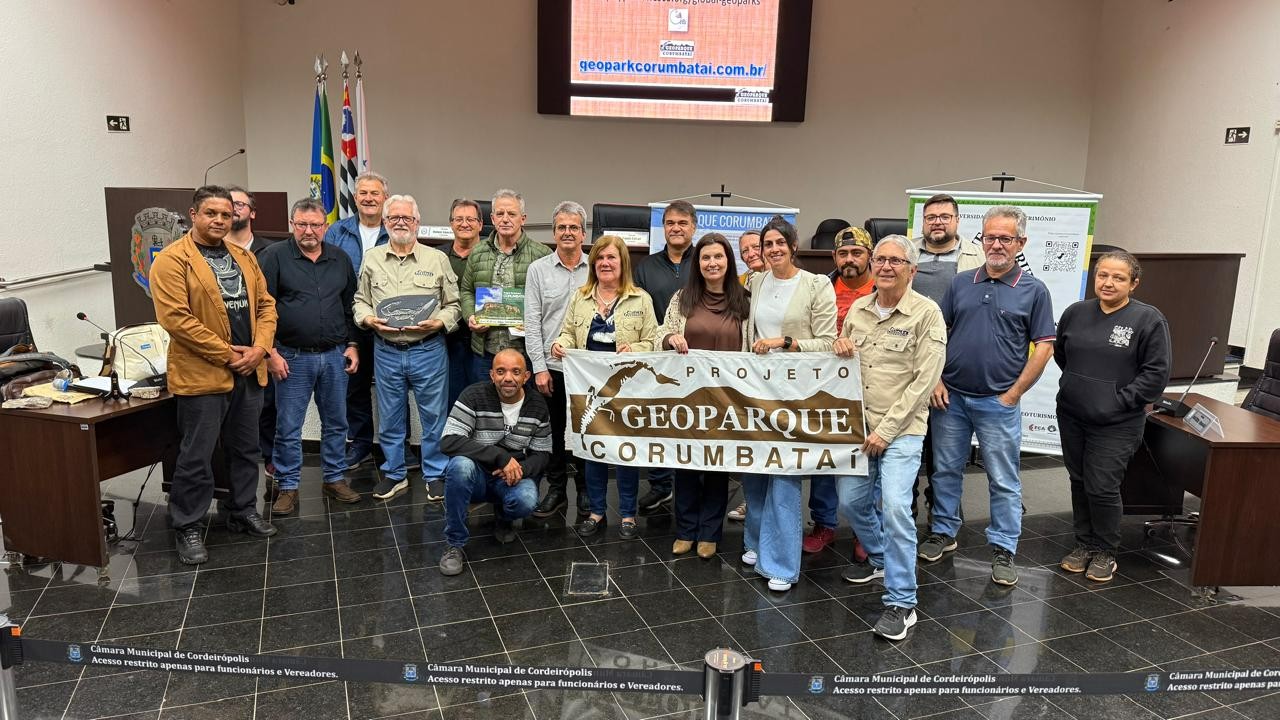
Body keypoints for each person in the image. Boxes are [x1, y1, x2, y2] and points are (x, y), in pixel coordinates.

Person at [923, 206, 1056, 587]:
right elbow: (938, 335)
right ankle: (944, 533)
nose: (996, 244)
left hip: (998, 403)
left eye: (1005, 238)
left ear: (1021, 243)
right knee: (945, 469)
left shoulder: (1034, 290)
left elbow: (1044, 347)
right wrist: (936, 380)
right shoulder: (960, 282)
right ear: (980, 239)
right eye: (990, 237)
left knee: (1003, 479)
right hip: (951, 400)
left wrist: (1013, 394)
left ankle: (1003, 549)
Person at [150, 186, 278, 565]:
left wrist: (259, 349)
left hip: (248, 370)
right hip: (203, 374)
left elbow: (266, 305)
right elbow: (176, 319)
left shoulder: (244, 257)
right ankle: (187, 524)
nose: (220, 220)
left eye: (226, 214)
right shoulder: (172, 261)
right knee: (196, 454)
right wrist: (227, 354)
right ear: (193, 214)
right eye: (211, 214)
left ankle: (242, 509)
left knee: (246, 449)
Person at [833, 235, 947, 641]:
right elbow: (844, 367)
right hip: (859, 429)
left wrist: (886, 430)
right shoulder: (858, 311)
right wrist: (839, 345)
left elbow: (924, 382)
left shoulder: (927, 314)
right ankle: (881, 558)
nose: (885, 266)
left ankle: (901, 601)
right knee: (851, 501)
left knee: (897, 507)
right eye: (879, 259)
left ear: (911, 270)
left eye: (895, 261)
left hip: (901, 431)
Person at [1054, 251, 1170, 582]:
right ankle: (1083, 544)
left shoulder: (1149, 320)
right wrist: (1082, 388)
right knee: (1078, 480)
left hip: (1118, 421)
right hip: (1073, 414)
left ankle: (1106, 550)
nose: (1108, 282)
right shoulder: (1076, 313)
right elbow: (1064, 355)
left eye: (1118, 278)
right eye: (1103, 275)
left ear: (1134, 283)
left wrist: (1116, 400)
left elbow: (1156, 374)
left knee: (1102, 485)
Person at [742, 216, 837, 591]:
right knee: (752, 470)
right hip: (755, 389)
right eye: (768, 245)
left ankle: (780, 563)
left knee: (783, 476)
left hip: (796, 393)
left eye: (781, 243)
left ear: (794, 246)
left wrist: (786, 343)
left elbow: (829, 341)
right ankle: (754, 542)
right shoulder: (755, 281)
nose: (774, 250)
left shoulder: (815, 285)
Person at [352, 194, 461, 501]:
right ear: (385, 223)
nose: (401, 223)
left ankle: (435, 474)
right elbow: (360, 300)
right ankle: (395, 473)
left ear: (417, 222)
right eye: (395, 218)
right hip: (386, 350)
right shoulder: (372, 258)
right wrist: (369, 319)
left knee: (434, 418)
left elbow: (453, 304)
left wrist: (438, 323)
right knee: (389, 417)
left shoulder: (436, 259)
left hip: (428, 349)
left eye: (407, 218)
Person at [257, 198, 361, 515]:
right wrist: (270, 352)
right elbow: (263, 310)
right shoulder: (274, 257)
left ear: (325, 226)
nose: (309, 231)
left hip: (333, 356)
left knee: (336, 423)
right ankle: (288, 486)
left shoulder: (340, 259)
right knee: (288, 426)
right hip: (291, 357)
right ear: (292, 224)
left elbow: (350, 307)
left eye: (315, 225)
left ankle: (334, 478)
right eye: (302, 224)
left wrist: (353, 345)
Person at [551, 234, 659, 540]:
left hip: (626, 392)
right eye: (599, 258)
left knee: (624, 453)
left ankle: (627, 514)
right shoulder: (580, 297)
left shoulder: (641, 299)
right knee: (592, 450)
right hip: (589, 389)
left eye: (611, 257)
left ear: (623, 262)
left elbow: (653, 341)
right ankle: (596, 512)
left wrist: (635, 351)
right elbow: (568, 333)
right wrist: (560, 344)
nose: (605, 263)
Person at [658, 233, 749, 559]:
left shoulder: (745, 300)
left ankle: (710, 532)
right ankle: (685, 530)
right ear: (698, 264)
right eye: (706, 258)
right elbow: (660, 334)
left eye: (718, 257)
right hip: (687, 398)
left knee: (715, 467)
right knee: (684, 465)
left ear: (728, 261)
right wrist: (670, 337)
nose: (712, 263)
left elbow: (753, 345)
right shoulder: (683, 298)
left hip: (727, 400)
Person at [438, 349, 549, 576]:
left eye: (515, 372)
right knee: (459, 466)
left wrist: (520, 469)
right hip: (476, 474)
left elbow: (543, 454)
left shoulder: (537, 404)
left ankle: (504, 517)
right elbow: (449, 441)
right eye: (501, 371)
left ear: (526, 376)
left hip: (509, 478)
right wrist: (501, 457)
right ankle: (454, 544)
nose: (508, 377)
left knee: (527, 500)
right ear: (491, 375)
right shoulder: (473, 395)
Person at [801, 225, 876, 558]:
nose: (849, 259)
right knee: (825, 461)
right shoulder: (823, 288)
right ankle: (824, 524)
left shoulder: (885, 287)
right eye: (843, 253)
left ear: (869, 256)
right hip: (826, 390)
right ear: (834, 257)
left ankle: (865, 530)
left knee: (867, 462)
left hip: (871, 391)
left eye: (857, 253)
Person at [909, 194, 983, 524]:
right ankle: (904, 509)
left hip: (952, 368)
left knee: (945, 451)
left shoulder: (977, 256)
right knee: (908, 443)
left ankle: (942, 510)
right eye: (931, 217)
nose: (937, 221)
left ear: (957, 221)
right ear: (922, 221)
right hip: (905, 364)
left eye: (944, 216)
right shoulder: (905, 252)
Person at [526, 201, 590, 518]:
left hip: (587, 371)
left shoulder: (598, 268)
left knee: (585, 431)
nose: (567, 232)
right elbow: (532, 322)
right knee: (552, 433)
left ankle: (586, 492)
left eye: (573, 227)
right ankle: (556, 491)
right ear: (554, 233)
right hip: (551, 370)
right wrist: (538, 368)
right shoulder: (537, 271)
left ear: (583, 233)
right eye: (562, 227)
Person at [632, 200, 696, 513]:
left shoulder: (706, 260)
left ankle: (690, 485)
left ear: (693, 227)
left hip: (697, 359)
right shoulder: (645, 267)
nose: (676, 228)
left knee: (690, 423)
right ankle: (660, 485)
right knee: (657, 422)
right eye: (670, 223)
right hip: (657, 355)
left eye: (682, 222)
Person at [324, 172, 390, 471]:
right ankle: (361, 443)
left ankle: (396, 447)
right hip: (350, 323)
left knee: (393, 386)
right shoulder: (337, 232)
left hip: (390, 323)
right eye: (363, 192)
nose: (368, 198)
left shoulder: (396, 229)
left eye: (375, 193)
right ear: (355, 197)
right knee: (356, 387)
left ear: (384, 198)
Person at [224, 185, 282, 490]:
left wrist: (266, 349)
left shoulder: (270, 251)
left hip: (262, 347)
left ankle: (270, 463)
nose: (234, 210)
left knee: (266, 407)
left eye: (240, 204)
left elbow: (270, 304)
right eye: (228, 204)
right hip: (223, 351)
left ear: (252, 212)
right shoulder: (207, 253)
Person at [460, 189, 550, 378]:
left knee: (525, 406)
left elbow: (550, 301)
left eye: (512, 214)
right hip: (486, 351)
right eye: (500, 214)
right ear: (492, 218)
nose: (505, 219)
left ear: (523, 219)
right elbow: (467, 291)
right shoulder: (477, 252)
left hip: (526, 352)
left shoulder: (542, 255)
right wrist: (471, 316)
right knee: (485, 405)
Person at [443, 198, 483, 409]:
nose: (464, 224)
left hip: (482, 339)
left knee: (481, 398)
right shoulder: (438, 255)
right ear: (451, 223)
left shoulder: (490, 255)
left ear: (480, 224)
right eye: (459, 219)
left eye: (470, 219)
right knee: (453, 400)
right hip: (447, 340)